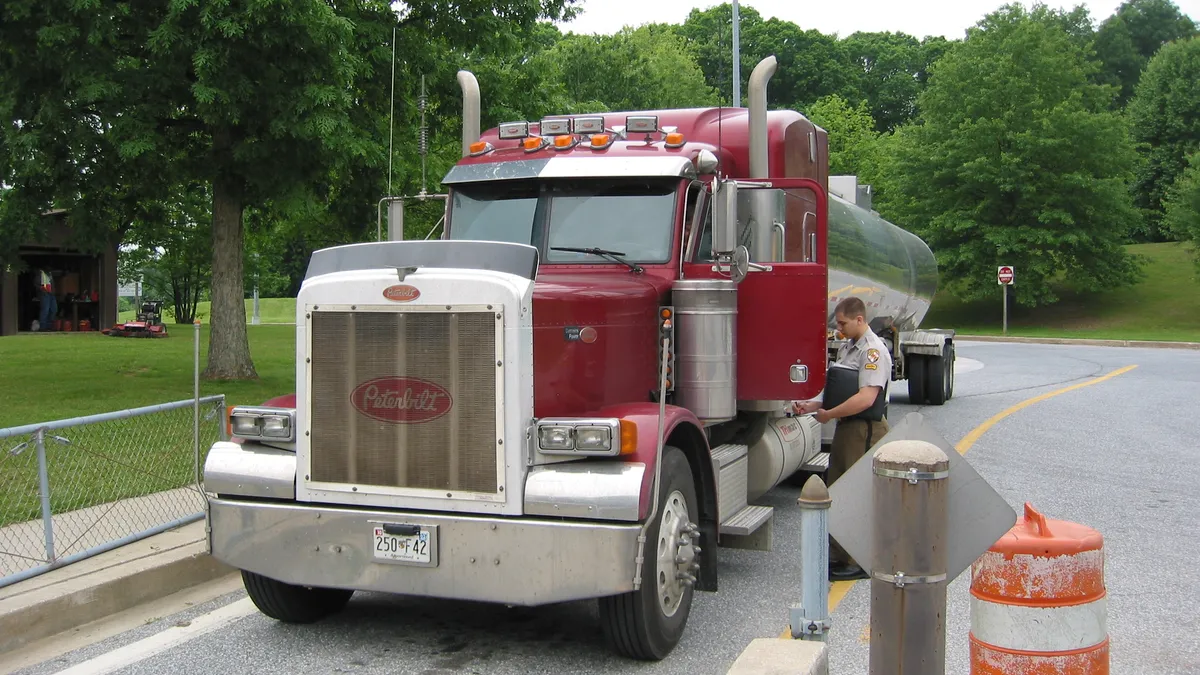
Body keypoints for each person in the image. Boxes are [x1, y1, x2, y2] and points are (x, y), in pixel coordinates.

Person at [791, 296, 892, 580]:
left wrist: (829, 414)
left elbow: (865, 398)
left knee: (855, 494)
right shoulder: (850, 348)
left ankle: (855, 561)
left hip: (863, 430)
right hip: (848, 428)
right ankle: (839, 554)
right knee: (838, 489)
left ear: (860, 319)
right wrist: (813, 406)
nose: (839, 328)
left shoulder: (872, 352)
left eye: (843, 323)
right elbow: (840, 389)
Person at [37, 267, 57, 332]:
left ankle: (49, 326)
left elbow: (52, 284)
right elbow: (36, 284)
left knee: (54, 309)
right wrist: (42, 290)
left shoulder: (50, 274)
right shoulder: (41, 273)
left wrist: (53, 291)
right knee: (45, 310)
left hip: (51, 294)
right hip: (45, 294)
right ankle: (43, 327)